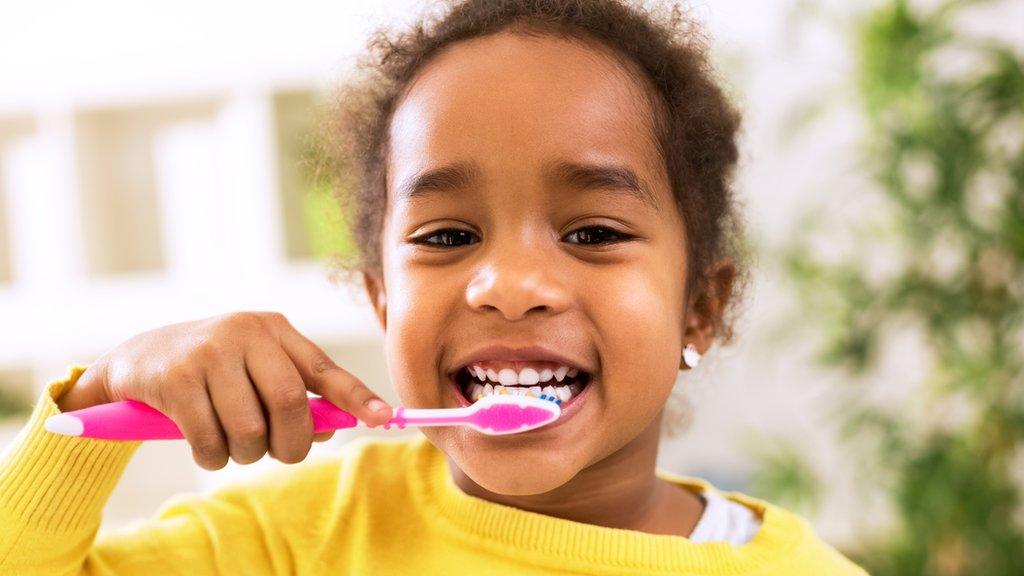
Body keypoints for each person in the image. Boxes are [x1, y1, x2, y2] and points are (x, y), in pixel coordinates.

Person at [0, 0, 868, 573]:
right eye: (448, 236)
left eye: (593, 233)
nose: (511, 285)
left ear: (700, 308)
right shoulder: (294, 540)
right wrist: (99, 401)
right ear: (381, 302)